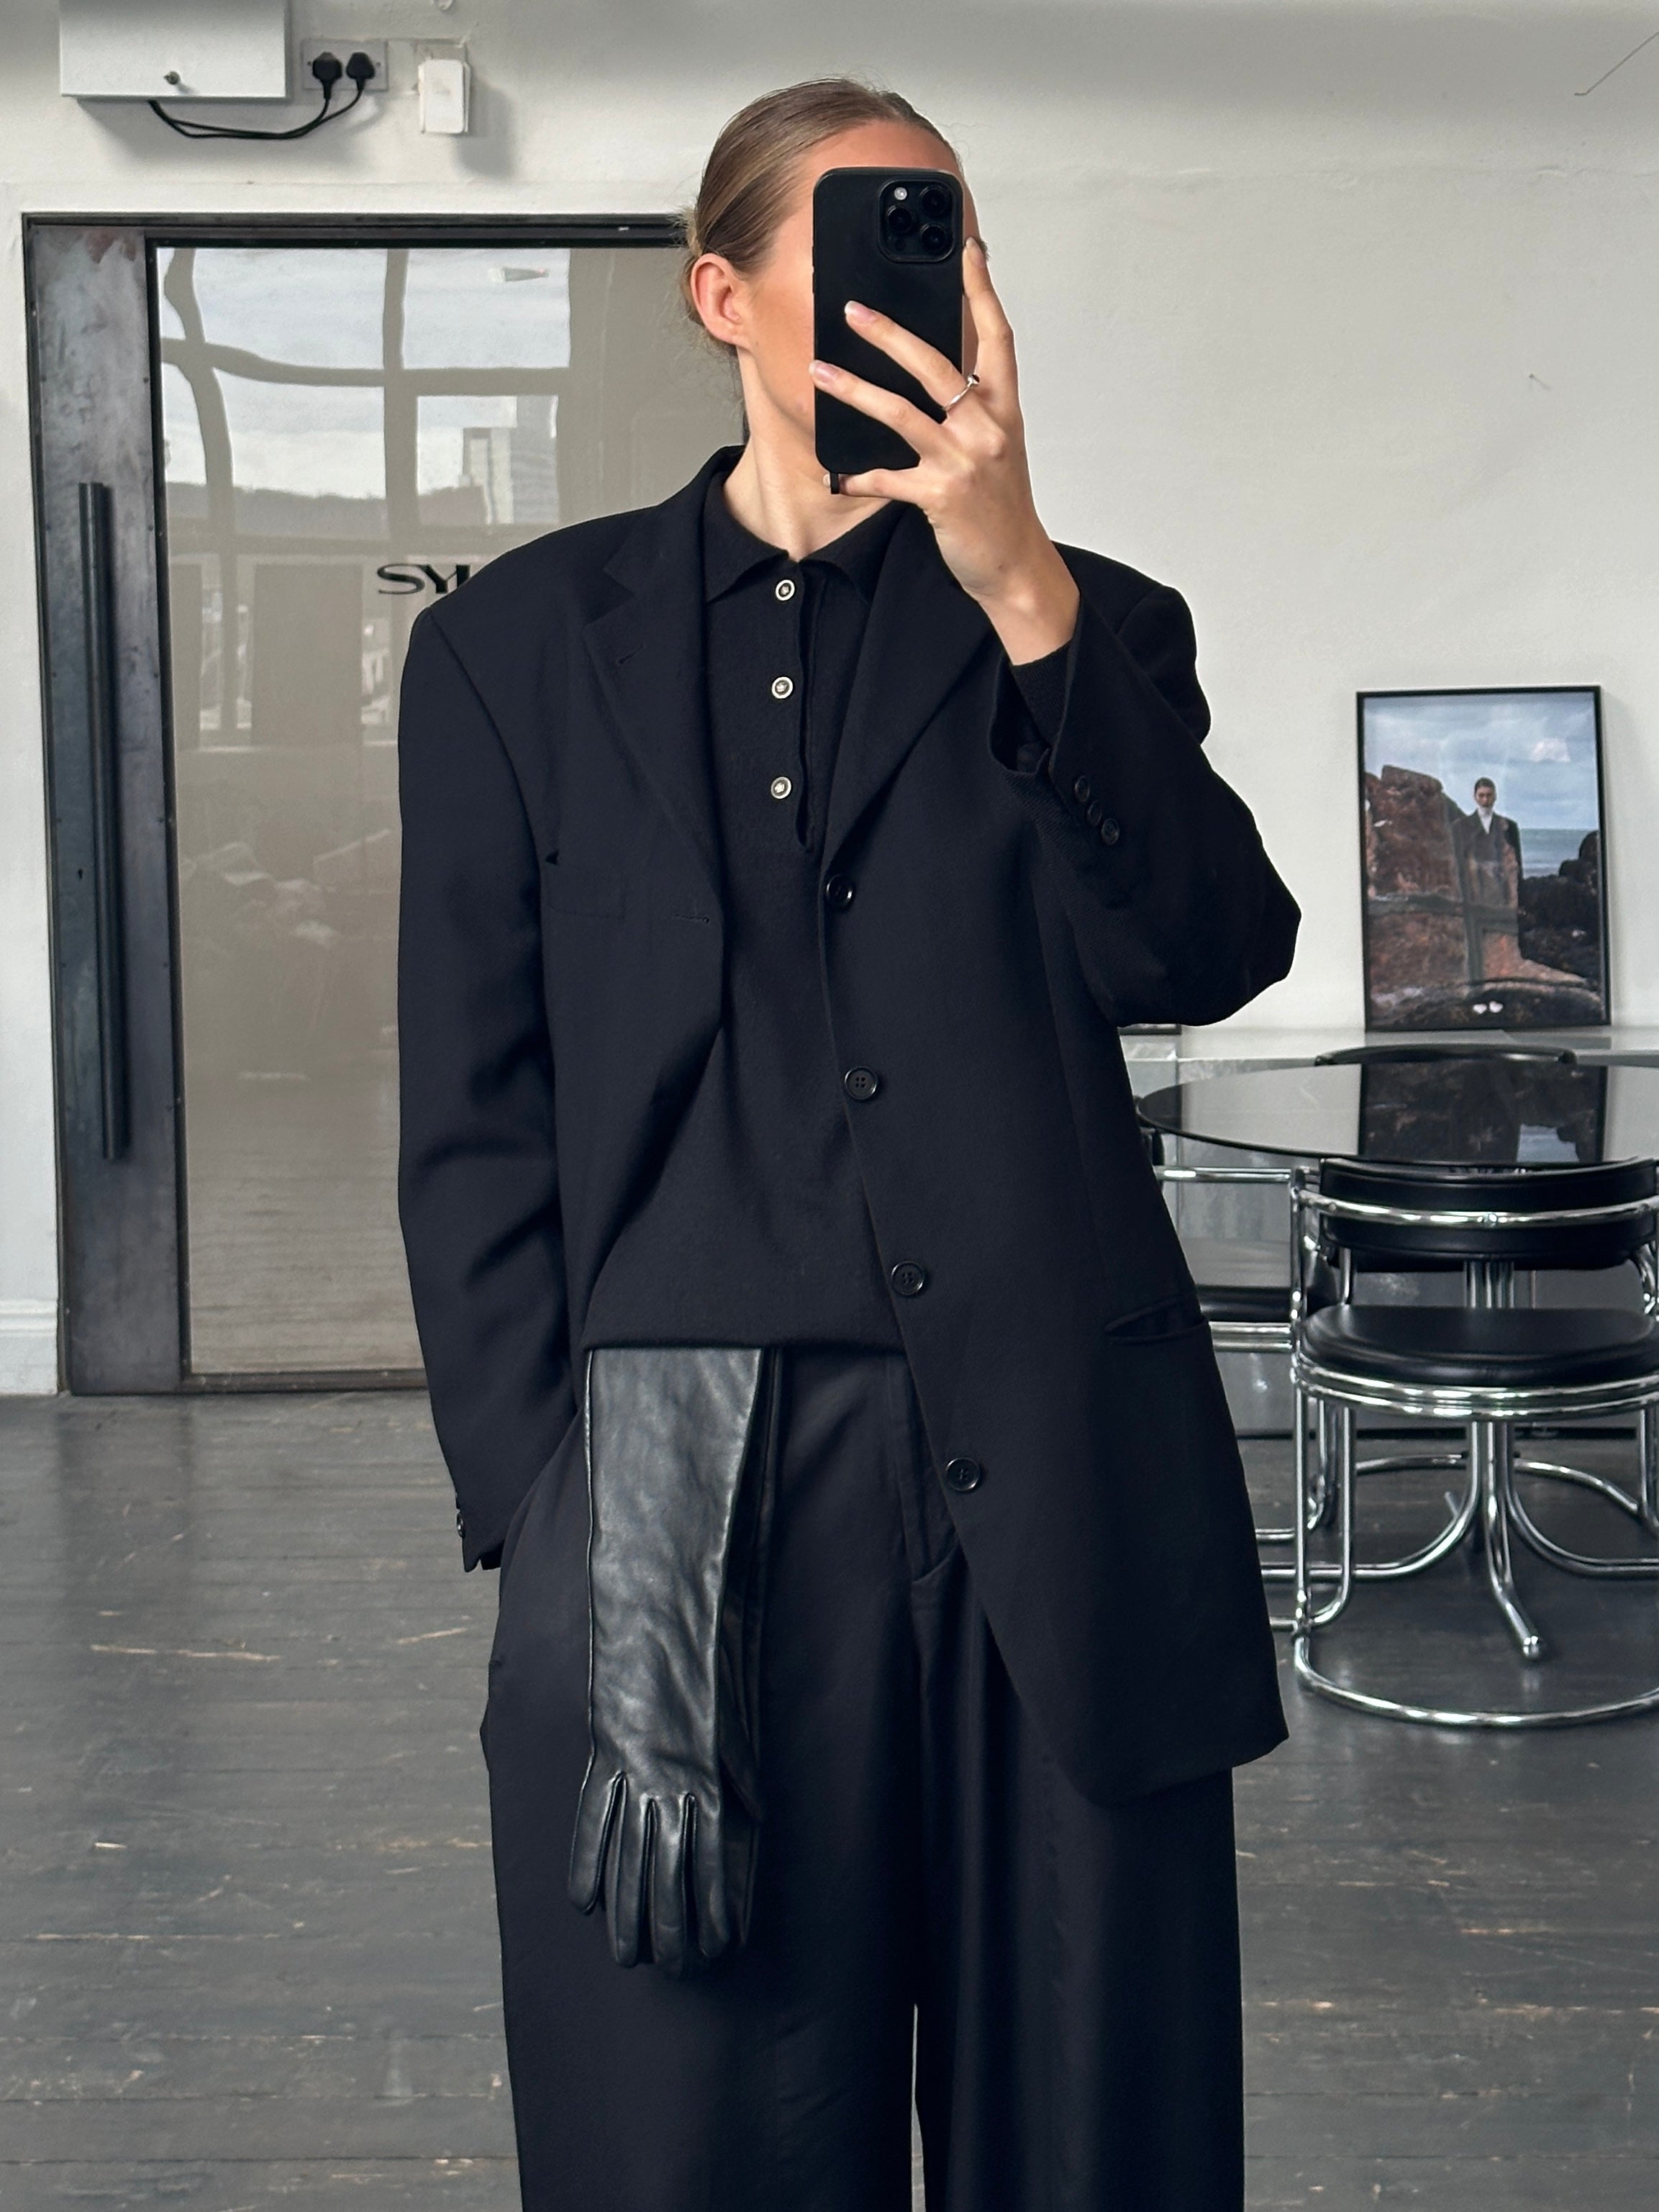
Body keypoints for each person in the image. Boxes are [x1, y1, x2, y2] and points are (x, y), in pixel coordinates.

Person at [396, 76, 1299, 2212]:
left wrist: (1019, 581)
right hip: (675, 1495)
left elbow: (1205, 950)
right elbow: (472, 1109)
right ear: (723, 295)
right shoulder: (516, 651)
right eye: (880, 233)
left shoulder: (1090, 622)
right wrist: (542, 1495)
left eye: (955, 234)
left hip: (1055, 1464)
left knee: (1091, 2121)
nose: (937, 281)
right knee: (694, 2121)